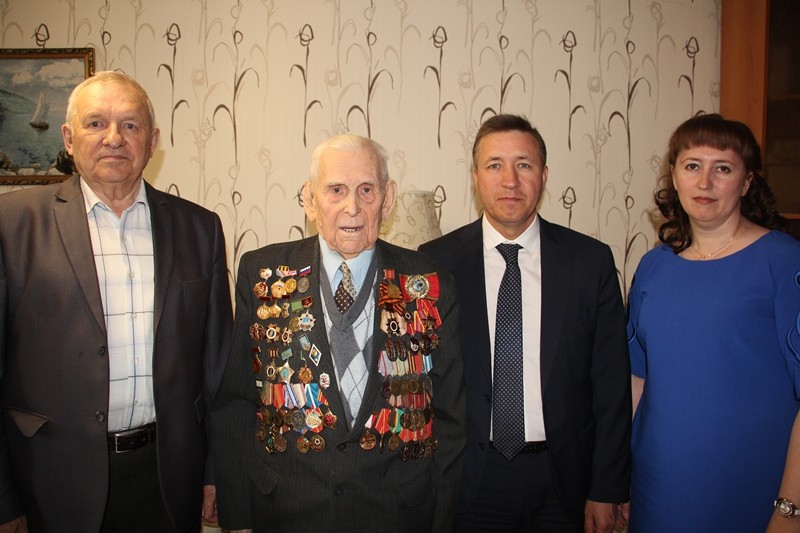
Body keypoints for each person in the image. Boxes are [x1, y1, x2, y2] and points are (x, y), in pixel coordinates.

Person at [0, 71, 233, 532]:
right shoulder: (12, 225)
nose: (113, 138)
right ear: (68, 139)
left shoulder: (200, 228)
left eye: (130, 125)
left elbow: (217, 370)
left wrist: (215, 473)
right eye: (95, 123)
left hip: (169, 477)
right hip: (49, 479)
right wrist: (3, 499)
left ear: (153, 142)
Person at [211, 133, 466, 532]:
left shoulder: (429, 282)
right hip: (287, 508)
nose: (352, 207)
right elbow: (237, 402)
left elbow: (451, 419)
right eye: (336, 190)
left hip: (396, 512)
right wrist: (237, 517)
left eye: (366, 190)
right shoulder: (262, 275)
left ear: (388, 198)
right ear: (310, 200)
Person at [419, 113, 631, 532]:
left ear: (544, 175)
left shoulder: (589, 262)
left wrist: (607, 486)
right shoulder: (436, 262)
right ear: (475, 176)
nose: (510, 180)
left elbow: (611, 386)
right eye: (494, 165)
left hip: (564, 481)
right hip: (471, 480)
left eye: (524, 165)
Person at [625, 113, 800, 532]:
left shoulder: (783, 261)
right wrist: (618, 480)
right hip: (655, 486)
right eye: (692, 166)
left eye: (722, 168)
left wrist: (790, 508)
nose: (704, 182)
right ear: (674, 176)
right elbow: (636, 382)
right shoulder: (652, 267)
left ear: (747, 182)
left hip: (752, 488)